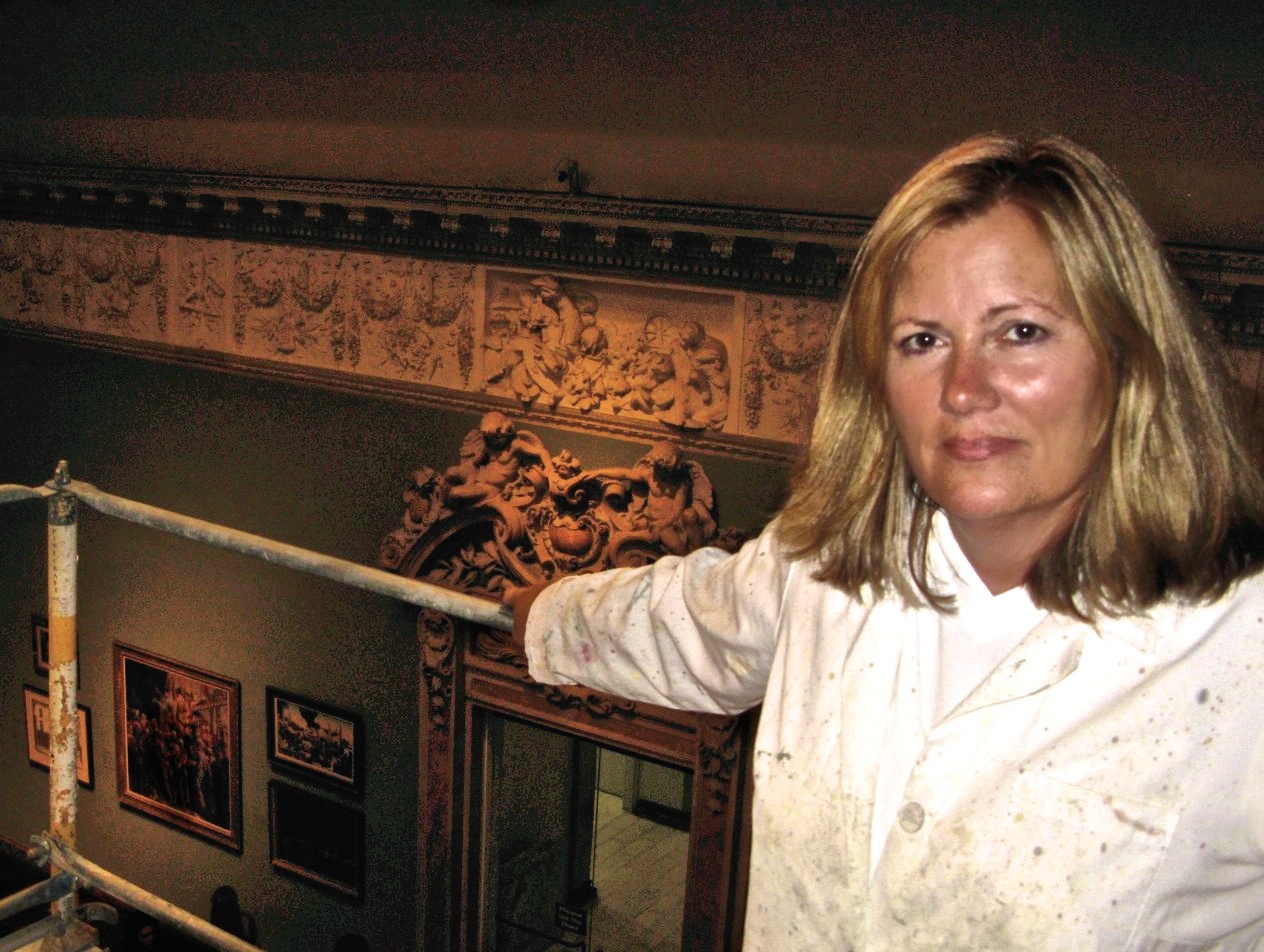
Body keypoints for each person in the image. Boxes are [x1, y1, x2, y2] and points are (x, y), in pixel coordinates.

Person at [509, 133, 1264, 951]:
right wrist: (539, 615)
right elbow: (689, 622)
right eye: (923, 341)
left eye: (1020, 333)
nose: (965, 389)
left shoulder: (1240, 653)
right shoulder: (827, 568)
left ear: (1127, 355)